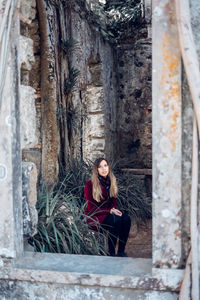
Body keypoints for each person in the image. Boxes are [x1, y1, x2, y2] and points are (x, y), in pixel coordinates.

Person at [84, 157, 131, 257]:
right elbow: (92, 209)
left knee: (126, 219)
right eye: (100, 167)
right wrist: (110, 211)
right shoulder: (90, 184)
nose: (104, 169)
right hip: (94, 216)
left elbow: (113, 201)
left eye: (105, 165)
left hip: (108, 213)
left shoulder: (111, 181)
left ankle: (121, 251)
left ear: (108, 167)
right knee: (116, 220)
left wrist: (114, 209)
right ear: (96, 170)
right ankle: (111, 253)